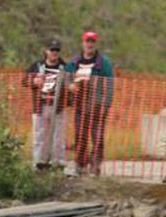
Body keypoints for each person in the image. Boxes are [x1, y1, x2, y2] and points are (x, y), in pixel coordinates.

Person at [64, 31, 115, 176]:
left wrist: (105, 105)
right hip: (80, 106)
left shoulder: (104, 63)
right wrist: (69, 85)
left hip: (97, 107)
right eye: (87, 41)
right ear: (83, 43)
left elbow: (110, 86)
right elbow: (65, 78)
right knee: (80, 137)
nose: (89, 44)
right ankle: (80, 165)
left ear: (96, 44)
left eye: (92, 42)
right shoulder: (74, 62)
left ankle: (95, 166)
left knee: (97, 138)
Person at [26, 38, 69, 170]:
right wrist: (33, 81)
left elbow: (70, 85)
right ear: (46, 51)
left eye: (57, 50)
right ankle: (39, 162)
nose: (54, 52)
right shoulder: (37, 66)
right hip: (40, 106)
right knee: (39, 135)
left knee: (58, 137)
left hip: (58, 107)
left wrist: (68, 98)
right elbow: (24, 80)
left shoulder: (65, 67)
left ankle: (58, 163)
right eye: (52, 50)